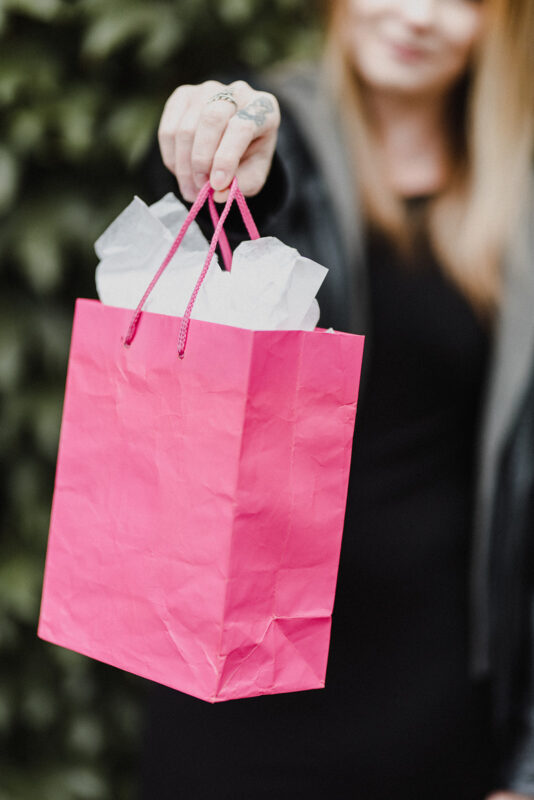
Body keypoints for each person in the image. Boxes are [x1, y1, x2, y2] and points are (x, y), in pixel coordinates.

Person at [140, 0, 534, 797]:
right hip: (240, 694)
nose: (418, 15)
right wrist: (217, 150)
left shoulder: (519, 192)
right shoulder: (277, 143)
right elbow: (225, 221)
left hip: (443, 706)